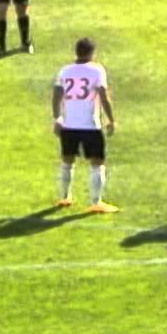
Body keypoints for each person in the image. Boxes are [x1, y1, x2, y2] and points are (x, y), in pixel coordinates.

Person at [52, 38, 118, 213]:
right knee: (97, 163)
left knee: (67, 160)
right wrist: (111, 119)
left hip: (69, 125)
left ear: (76, 52)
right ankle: (96, 202)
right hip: (90, 125)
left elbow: (56, 95)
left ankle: (65, 197)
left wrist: (57, 118)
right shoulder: (96, 71)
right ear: (92, 53)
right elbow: (103, 96)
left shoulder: (65, 71)